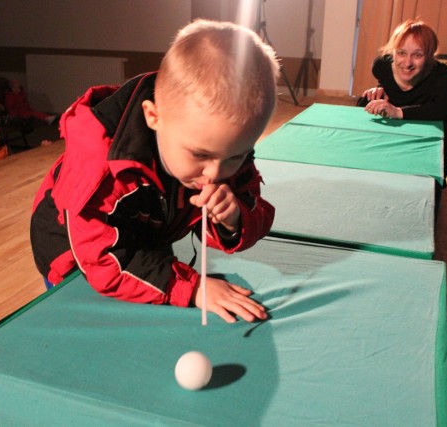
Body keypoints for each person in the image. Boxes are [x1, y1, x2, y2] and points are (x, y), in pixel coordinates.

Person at [30, 19, 278, 324]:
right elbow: (103, 262)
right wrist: (193, 287)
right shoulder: (101, 167)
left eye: (236, 157)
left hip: (144, 236)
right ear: (153, 116)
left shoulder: (220, 144)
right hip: (75, 259)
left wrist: (233, 218)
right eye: (200, 155)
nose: (215, 173)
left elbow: (254, 209)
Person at [359, 18, 447, 180]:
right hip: (394, 141)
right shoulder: (381, 67)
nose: (407, 63)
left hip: (429, 145)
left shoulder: (444, 78)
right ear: (393, 52)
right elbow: (386, 82)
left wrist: (398, 112)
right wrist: (380, 88)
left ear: (430, 55)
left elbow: (445, 109)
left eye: (417, 55)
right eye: (401, 53)